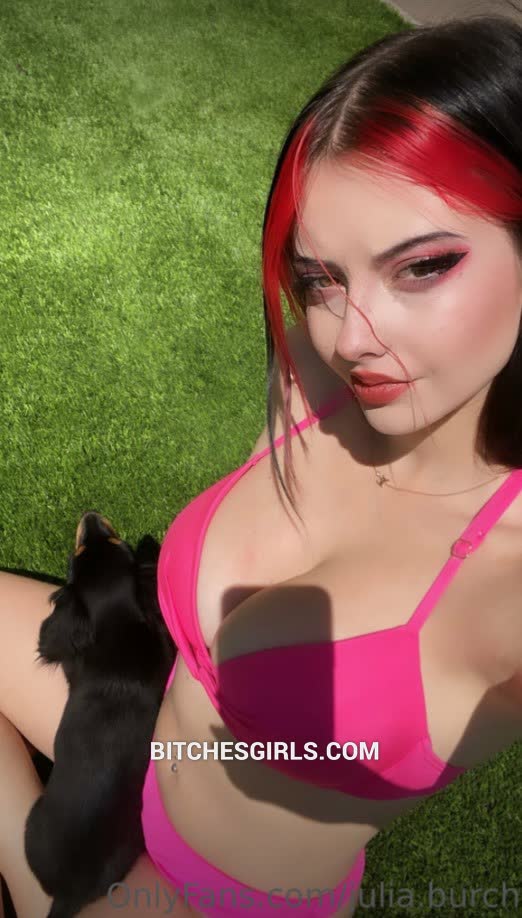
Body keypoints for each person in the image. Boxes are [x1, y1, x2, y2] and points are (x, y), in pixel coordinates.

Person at [1, 12, 522, 918]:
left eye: (423, 266)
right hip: (144, 745)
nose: (351, 336)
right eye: (322, 279)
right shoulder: (321, 379)